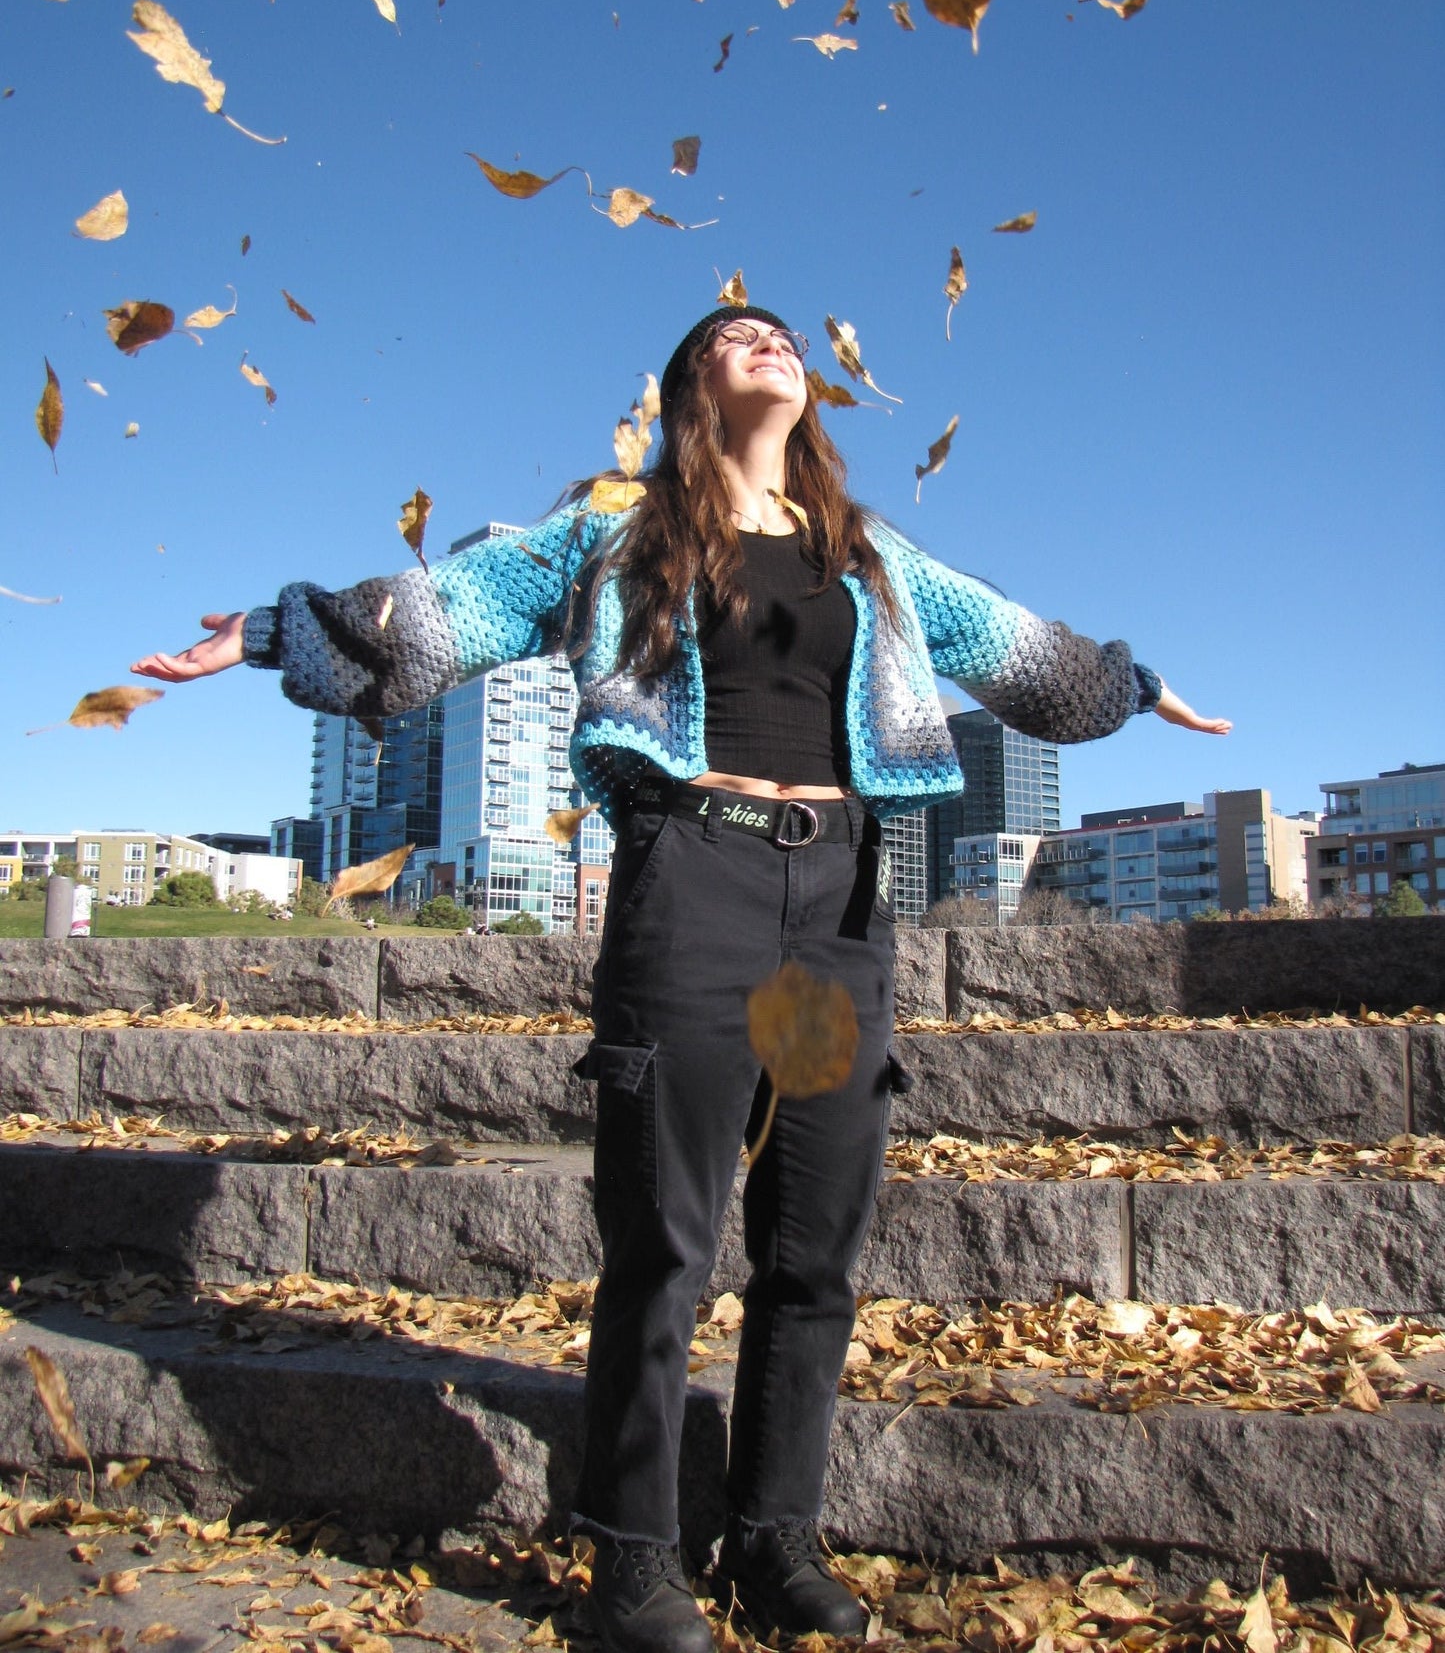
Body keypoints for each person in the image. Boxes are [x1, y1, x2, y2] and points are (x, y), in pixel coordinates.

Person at [133, 304, 1230, 1653]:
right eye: (735, 335)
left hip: (828, 911)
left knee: (809, 1240)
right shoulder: (614, 529)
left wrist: (1137, 682)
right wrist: (267, 633)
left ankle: (775, 1538)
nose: (768, 341)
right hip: (693, 886)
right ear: (684, 389)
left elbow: (1022, 651)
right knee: (663, 1243)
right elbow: (451, 608)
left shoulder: (869, 555)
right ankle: (633, 1557)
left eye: (781, 332)